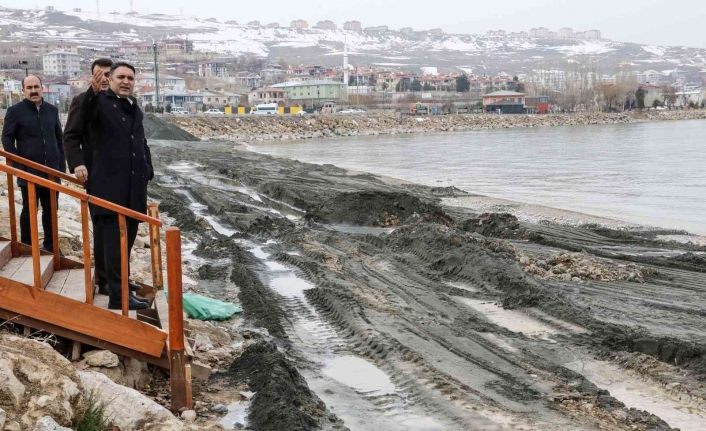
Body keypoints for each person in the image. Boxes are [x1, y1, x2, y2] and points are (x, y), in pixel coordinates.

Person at [80, 61, 153, 310]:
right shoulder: (97, 103)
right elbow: (81, 121)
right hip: (109, 188)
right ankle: (117, 297)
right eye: (121, 77)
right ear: (109, 79)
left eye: (130, 78)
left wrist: (148, 170)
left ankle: (120, 285)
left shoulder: (134, 106)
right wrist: (91, 91)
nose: (126, 82)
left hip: (133, 187)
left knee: (128, 240)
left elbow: (140, 141)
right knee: (113, 242)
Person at [64, 58, 115, 295]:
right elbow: (71, 136)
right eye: (99, 74)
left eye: (108, 74)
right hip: (96, 175)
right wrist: (77, 164)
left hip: (122, 176)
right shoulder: (81, 101)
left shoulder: (121, 102)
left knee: (122, 229)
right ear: (91, 77)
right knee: (104, 228)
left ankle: (120, 277)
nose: (104, 78)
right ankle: (105, 281)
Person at [1, 74, 65, 252]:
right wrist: (18, 166)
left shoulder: (52, 110)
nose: (33, 91)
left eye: (36, 87)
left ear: (42, 88)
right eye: (29, 88)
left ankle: (51, 245)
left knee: (51, 209)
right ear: (23, 91)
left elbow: (59, 139)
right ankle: (27, 246)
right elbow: (6, 140)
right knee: (30, 209)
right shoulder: (15, 111)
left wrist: (61, 166)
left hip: (52, 171)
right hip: (28, 171)